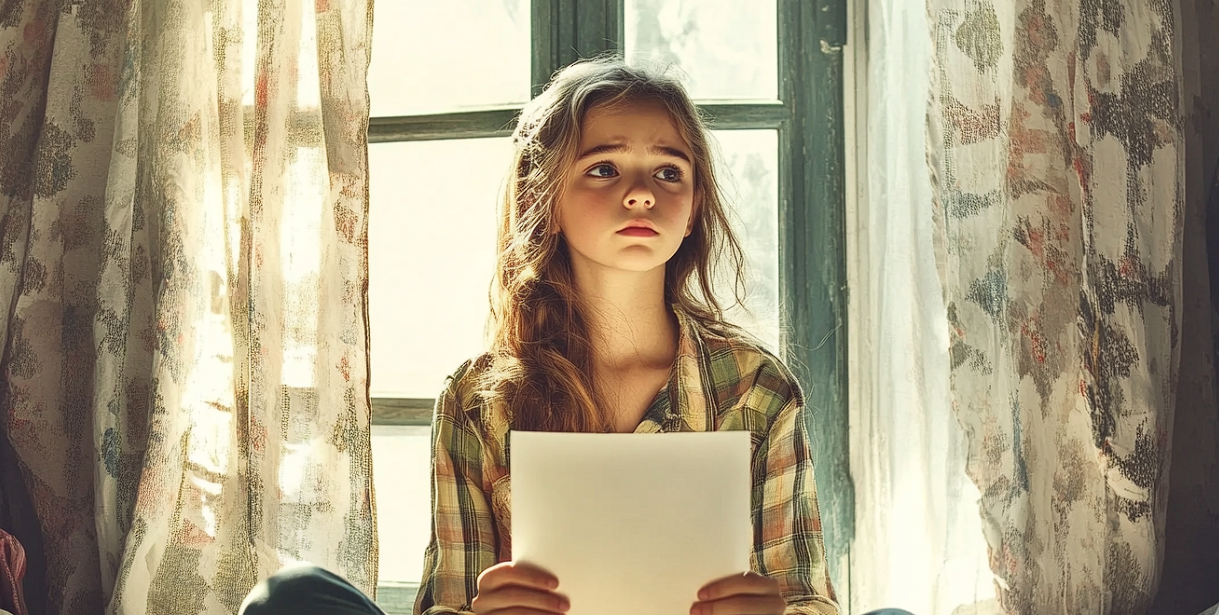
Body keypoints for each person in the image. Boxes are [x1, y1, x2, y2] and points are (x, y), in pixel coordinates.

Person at [239, 56, 912, 615]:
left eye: (668, 170)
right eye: (603, 167)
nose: (641, 192)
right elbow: (444, 599)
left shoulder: (756, 388)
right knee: (293, 597)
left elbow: (806, 594)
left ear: (694, 205)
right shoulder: (477, 396)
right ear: (545, 197)